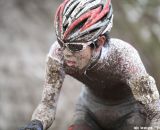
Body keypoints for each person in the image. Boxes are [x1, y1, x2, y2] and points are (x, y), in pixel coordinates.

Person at [19, 0, 160, 130]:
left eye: (75, 46)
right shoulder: (57, 54)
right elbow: (47, 105)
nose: (66, 53)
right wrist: (36, 124)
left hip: (130, 114)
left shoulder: (125, 57)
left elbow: (156, 114)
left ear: (99, 43)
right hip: (89, 112)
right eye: (61, 43)